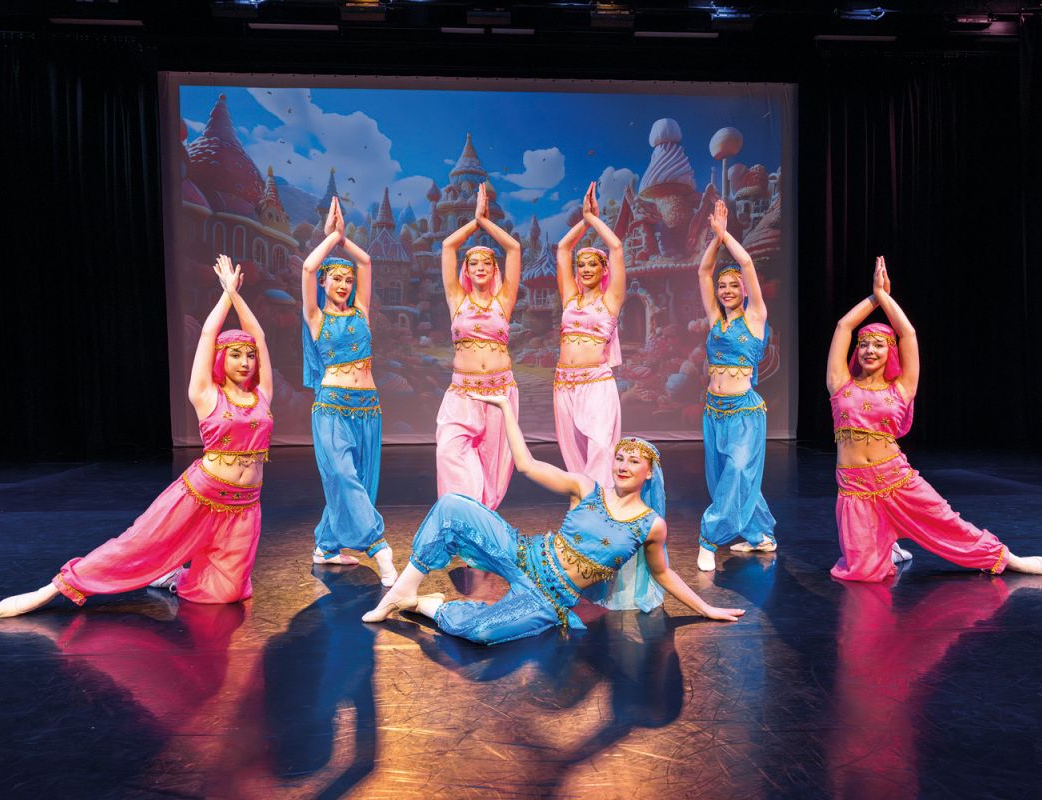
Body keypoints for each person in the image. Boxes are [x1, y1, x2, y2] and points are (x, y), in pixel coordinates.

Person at [0, 255, 274, 617]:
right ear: (222, 359)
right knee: (137, 544)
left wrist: (239, 299)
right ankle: (53, 588)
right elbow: (207, 335)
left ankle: (174, 579)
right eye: (235, 354)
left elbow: (261, 336)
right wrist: (226, 294)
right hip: (201, 493)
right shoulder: (206, 395)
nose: (245, 361)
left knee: (229, 593)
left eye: (249, 355)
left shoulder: (261, 396)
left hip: (244, 505)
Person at [361, 395, 746, 645]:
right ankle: (399, 592)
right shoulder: (586, 488)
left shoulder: (650, 525)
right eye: (620, 458)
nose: (624, 466)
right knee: (451, 507)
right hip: (524, 555)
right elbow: (527, 465)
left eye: (634, 461)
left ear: (649, 473)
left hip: (548, 598)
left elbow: (664, 574)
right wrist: (506, 410)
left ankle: (422, 605)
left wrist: (706, 609)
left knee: (481, 632)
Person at [827, 256, 1042, 581]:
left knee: (948, 523)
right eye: (864, 344)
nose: (869, 350)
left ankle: (1006, 558)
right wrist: (872, 298)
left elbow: (907, 335)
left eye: (879, 345)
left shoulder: (902, 387)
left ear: (889, 353)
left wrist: (885, 298)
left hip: (895, 478)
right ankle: (884, 543)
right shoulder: (840, 384)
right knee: (862, 573)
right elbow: (843, 326)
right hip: (854, 487)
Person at [301, 196, 396, 585]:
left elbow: (368, 262)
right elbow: (308, 266)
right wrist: (332, 237)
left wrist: (346, 240)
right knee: (343, 475)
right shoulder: (316, 317)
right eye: (335, 278)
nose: (343, 283)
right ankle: (380, 549)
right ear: (324, 282)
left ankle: (325, 545)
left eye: (347, 279)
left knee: (359, 480)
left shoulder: (361, 313)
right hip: (332, 408)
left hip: (368, 409)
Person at [695, 200, 777, 572]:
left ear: (744, 291)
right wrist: (714, 240)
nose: (726, 289)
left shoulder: (756, 318)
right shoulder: (716, 318)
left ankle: (710, 538)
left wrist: (726, 234)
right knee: (725, 477)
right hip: (714, 411)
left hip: (745, 412)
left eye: (733, 286)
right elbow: (703, 270)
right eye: (722, 286)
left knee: (739, 471)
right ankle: (761, 535)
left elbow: (746, 264)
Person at [435, 182, 522, 509]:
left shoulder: (504, 301)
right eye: (474, 263)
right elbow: (446, 246)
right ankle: (463, 516)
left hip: (499, 392)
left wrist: (487, 224)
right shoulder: (457, 299)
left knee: (492, 466)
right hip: (463, 392)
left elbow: (513, 249)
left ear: (494, 268)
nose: (481, 266)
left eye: (486, 261)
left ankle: (480, 530)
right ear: (467, 271)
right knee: (449, 451)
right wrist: (474, 221)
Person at [552, 182, 627, 485]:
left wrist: (594, 220)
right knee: (574, 458)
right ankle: (584, 512)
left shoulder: (611, 301)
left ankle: (602, 512)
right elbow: (562, 250)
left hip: (597, 384)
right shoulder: (571, 298)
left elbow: (618, 248)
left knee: (600, 450)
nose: (583, 269)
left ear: (603, 269)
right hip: (563, 384)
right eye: (580, 265)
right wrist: (583, 220)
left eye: (591, 264)